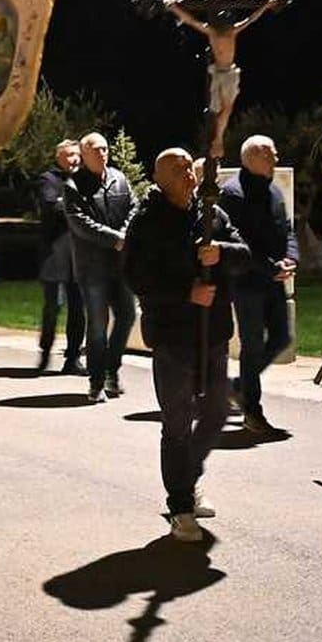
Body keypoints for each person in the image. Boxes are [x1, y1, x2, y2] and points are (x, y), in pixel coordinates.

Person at [125, 147, 250, 541]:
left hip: (211, 333)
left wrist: (221, 252)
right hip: (172, 335)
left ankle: (188, 477)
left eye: (188, 168)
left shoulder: (211, 214)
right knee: (177, 421)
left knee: (214, 412)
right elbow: (137, 278)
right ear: (159, 180)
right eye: (177, 171)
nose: (188, 175)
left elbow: (245, 256)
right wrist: (185, 292)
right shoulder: (146, 222)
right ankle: (180, 503)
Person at [218, 135, 297, 434]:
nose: (276, 159)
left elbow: (287, 229)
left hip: (274, 278)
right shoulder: (233, 195)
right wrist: (269, 267)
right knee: (251, 346)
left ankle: (239, 386)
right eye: (271, 155)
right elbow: (236, 244)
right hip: (247, 280)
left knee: (281, 338)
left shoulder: (274, 191)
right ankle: (252, 410)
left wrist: (291, 258)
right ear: (253, 158)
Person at [64, 131, 137, 402]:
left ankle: (111, 370)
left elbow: (133, 207)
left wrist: (126, 234)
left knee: (128, 316)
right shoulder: (73, 186)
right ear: (84, 154)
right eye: (96, 150)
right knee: (97, 325)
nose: (103, 154)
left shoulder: (119, 179)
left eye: (105, 149)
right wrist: (114, 239)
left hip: (121, 265)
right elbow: (80, 223)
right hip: (92, 268)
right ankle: (96, 381)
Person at [35, 139, 86, 374]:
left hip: (79, 254)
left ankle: (73, 358)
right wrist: (76, 205)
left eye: (76, 155)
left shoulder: (85, 180)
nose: (74, 159)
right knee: (53, 305)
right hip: (55, 254)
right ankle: (45, 352)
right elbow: (50, 205)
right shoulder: (49, 179)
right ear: (59, 158)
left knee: (78, 307)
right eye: (69, 155)